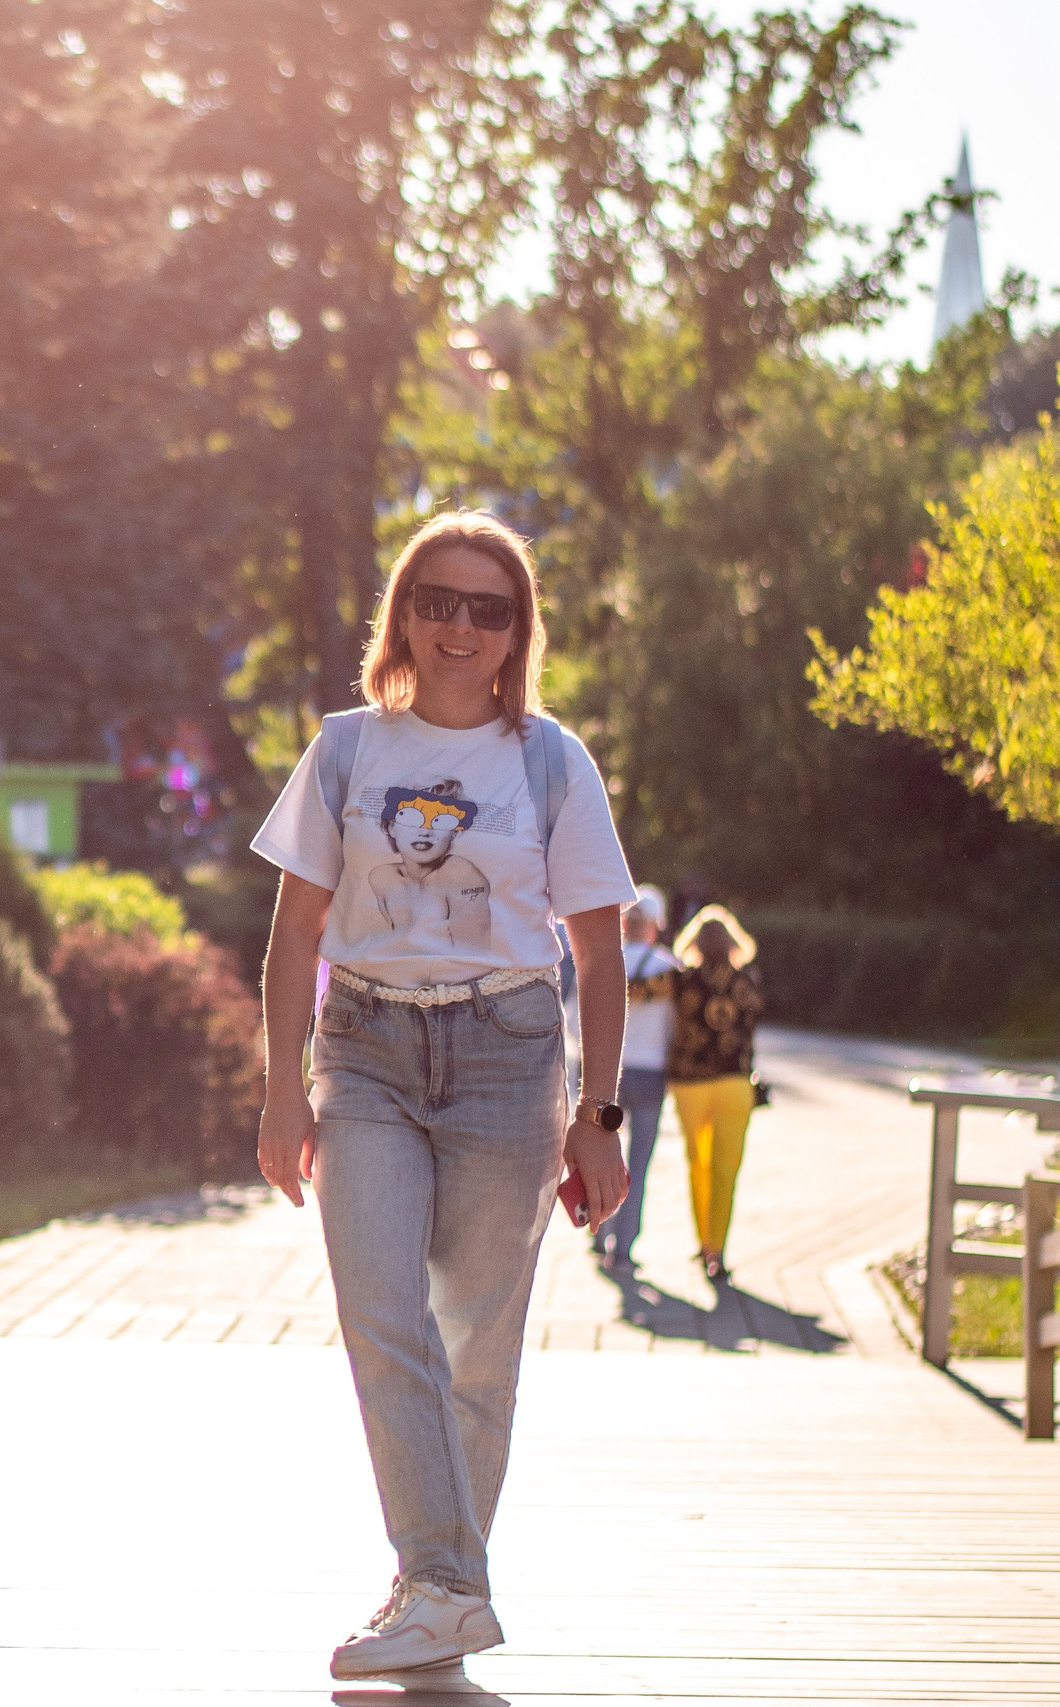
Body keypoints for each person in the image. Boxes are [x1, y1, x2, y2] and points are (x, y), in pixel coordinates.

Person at [253, 511, 636, 1680]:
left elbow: (600, 951)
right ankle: (440, 1584)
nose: (460, 626)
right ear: (403, 612)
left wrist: (599, 1114)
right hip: (363, 1046)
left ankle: (435, 1586)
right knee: (383, 1315)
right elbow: (289, 940)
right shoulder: (345, 750)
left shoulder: (548, 760)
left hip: (509, 1057)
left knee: (474, 1339)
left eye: (488, 607)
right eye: (438, 600)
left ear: (517, 629)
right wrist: (281, 1092)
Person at [666, 904, 764, 1284]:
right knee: (726, 1169)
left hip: (689, 1082)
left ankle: (702, 1241)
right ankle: (717, 1249)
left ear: (695, 943)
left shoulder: (681, 979)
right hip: (735, 1083)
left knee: (698, 1163)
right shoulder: (748, 980)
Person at [595, 884, 679, 1270]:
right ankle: (624, 1248)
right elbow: (679, 1028)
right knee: (638, 1163)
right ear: (655, 926)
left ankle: (597, 1228)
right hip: (650, 1072)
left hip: (604, 1074)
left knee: (599, 1156)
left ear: (624, 922)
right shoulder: (669, 967)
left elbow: (580, 1021)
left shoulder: (602, 960)